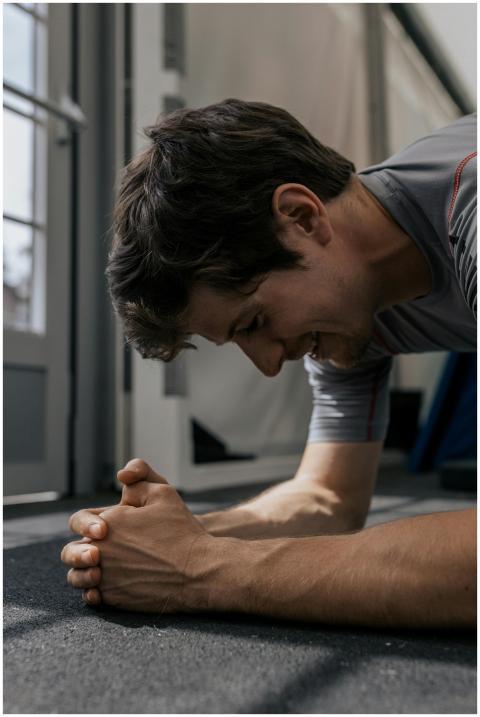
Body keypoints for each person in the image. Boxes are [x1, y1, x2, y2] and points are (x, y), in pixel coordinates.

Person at [61, 100, 476, 627]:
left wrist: (200, 568)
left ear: (302, 217)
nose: (270, 364)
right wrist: (177, 535)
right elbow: (328, 497)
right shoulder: (349, 300)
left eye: (254, 322)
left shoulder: (471, 206)